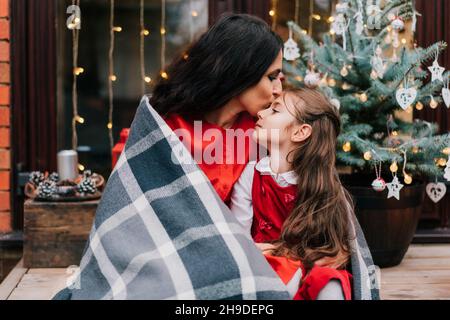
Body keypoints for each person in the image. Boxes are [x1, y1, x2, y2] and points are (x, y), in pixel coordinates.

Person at [230, 88, 355, 300]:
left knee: (331, 283)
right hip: (265, 260)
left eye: (275, 110)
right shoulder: (252, 174)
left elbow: (333, 247)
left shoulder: (322, 183)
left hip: (310, 262)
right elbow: (238, 237)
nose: (261, 113)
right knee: (283, 278)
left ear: (300, 132)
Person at [150, 14, 284, 204]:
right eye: (272, 77)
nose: (279, 90)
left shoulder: (263, 129)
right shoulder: (165, 126)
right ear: (240, 71)